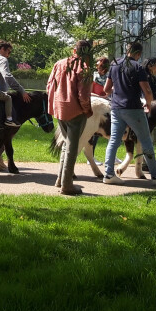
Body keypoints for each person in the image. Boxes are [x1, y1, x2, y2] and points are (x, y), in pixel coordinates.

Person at [101, 41, 156, 186]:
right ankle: (155, 175)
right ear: (138, 54)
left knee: (114, 140)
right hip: (133, 108)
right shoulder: (137, 67)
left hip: (116, 108)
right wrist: (149, 103)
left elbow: (106, 89)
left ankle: (108, 174)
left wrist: (118, 91)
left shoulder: (114, 64)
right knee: (146, 140)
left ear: (127, 50)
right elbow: (147, 90)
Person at [47, 40, 94, 195]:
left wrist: (54, 104)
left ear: (74, 50)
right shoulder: (84, 68)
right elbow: (83, 96)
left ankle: (60, 179)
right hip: (75, 111)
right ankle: (67, 185)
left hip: (59, 109)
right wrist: (87, 110)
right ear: (88, 53)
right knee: (72, 148)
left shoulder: (59, 63)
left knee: (67, 145)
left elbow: (49, 86)